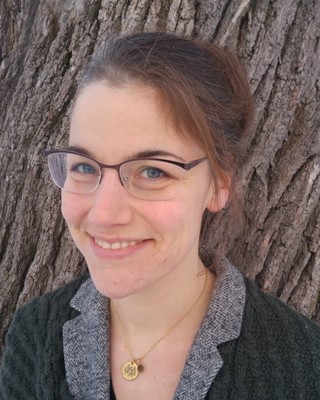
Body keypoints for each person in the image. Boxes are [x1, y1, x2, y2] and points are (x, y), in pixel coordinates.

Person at [0, 31, 320, 400]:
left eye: (153, 172)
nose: (104, 214)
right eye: (84, 167)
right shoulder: (35, 337)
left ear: (217, 185)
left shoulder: (304, 370)